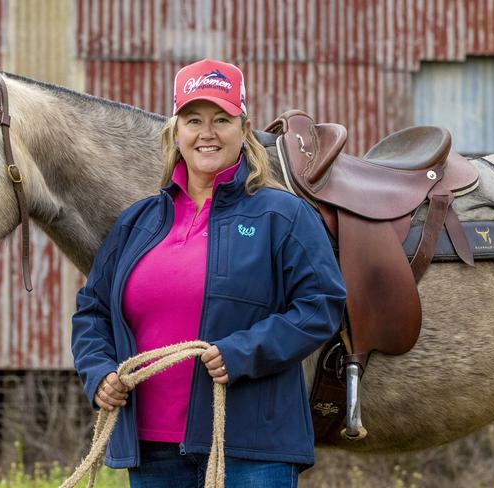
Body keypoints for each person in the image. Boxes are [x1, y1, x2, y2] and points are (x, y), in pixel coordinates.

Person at [71, 58, 346, 487]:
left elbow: (321, 307)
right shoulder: (138, 222)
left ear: (244, 128)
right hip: (151, 450)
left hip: (250, 448)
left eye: (222, 119)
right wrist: (99, 372)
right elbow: (93, 310)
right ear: (175, 131)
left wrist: (243, 352)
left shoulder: (283, 215)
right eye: (193, 119)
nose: (207, 133)